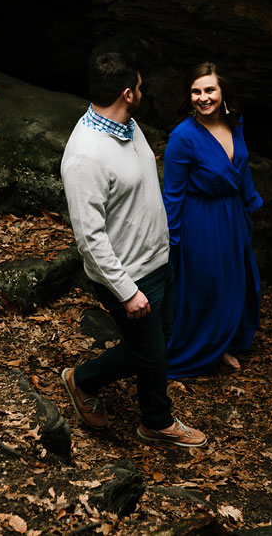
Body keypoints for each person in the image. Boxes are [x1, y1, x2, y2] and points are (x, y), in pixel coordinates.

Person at [59, 52, 206, 447]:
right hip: (130, 276)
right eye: (139, 88)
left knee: (159, 343)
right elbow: (89, 239)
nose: (142, 92)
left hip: (159, 261)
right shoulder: (85, 156)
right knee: (147, 354)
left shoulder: (128, 125)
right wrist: (127, 291)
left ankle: (154, 419)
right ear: (127, 93)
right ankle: (82, 380)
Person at [162, 62, 262, 377]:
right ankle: (205, 347)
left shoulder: (236, 122)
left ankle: (226, 342)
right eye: (196, 91)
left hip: (232, 214)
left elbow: (242, 167)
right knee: (209, 283)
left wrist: (250, 204)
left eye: (209, 90)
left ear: (222, 93)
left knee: (235, 279)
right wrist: (173, 238)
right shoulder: (183, 137)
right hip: (200, 219)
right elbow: (172, 193)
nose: (203, 98)